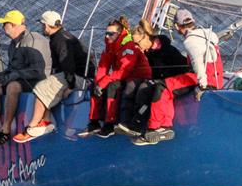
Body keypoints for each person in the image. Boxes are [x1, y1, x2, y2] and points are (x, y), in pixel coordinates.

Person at [132, 9, 222, 146]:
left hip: (204, 79)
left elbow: (198, 63)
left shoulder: (190, 41)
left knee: (162, 86)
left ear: (176, 26)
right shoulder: (208, 34)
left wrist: (202, 86)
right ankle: (164, 126)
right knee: (165, 84)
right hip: (215, 77)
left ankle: (157, 127)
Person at [0, 10, 51, 148]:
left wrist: (11, 77)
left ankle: (6, 129)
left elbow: (37, 70)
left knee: (12, 86)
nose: (3, 27)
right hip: (22, 79)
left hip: (39, 81)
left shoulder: (33, 40)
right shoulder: (13, 44)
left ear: (14, 25)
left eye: (5, 24)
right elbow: (12, 68)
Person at [12, 10, 92, 143]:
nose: (42, 28)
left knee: (42, 87)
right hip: (75, 75)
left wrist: (71, 86)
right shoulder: (61, 36)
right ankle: (46, 121)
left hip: (80, 78)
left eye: (43, 25)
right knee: (47, 84)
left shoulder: (60, 40)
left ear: (46, 25)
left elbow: (68, 65)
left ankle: (32, 127)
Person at [115, 19, 191, 137]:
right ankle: (127, 121)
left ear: (145, 38)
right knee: (133, 85)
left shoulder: (167, 50)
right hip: (159, 80)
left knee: (145, 89)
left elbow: (181, 69)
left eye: (137, 43)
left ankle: (138, 124)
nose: (136, 47)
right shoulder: (148, 52)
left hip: (176, 81)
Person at [78, 17, 151, 138]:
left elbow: (125, 70)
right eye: (106, 33)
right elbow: (103, 65)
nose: (107, 36)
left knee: (112, 86)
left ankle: (110, 124)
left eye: (110, 34)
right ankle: (95, 122)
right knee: (94, 86)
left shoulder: (129, 45)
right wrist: (99, 83)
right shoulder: (110, 44)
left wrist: (105, 82)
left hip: (137, 76)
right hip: (122, 76)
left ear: (118, 33)